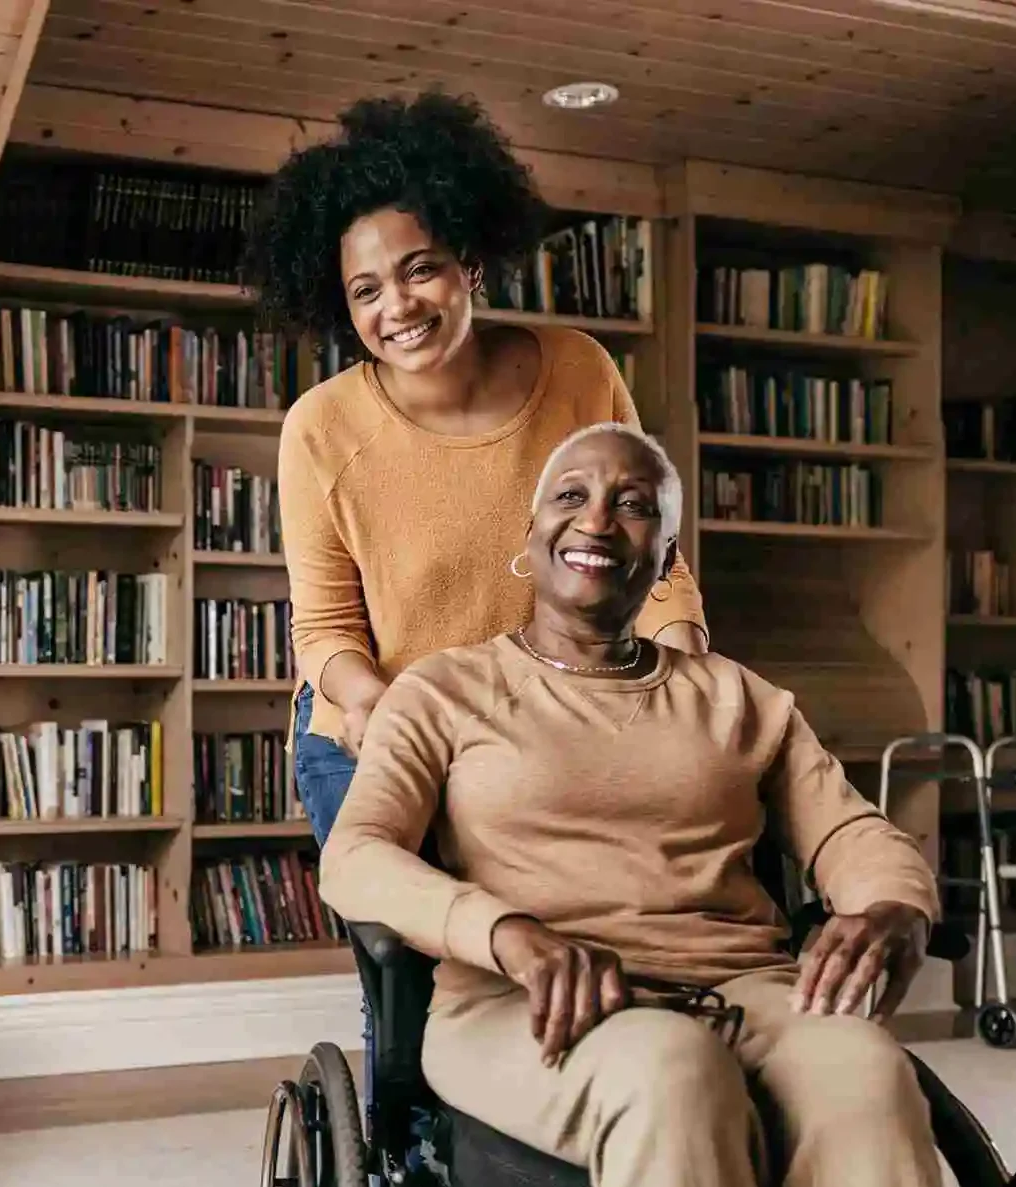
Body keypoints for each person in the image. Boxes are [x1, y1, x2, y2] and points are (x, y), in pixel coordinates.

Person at [318, 423, 987, 1187]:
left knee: (864, 1066)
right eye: (572, 495)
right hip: (531, 1005)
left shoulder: (741, 699)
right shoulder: (445, 692)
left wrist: (895, 907)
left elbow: (850, 830)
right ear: (534, 527)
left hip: (746, 991)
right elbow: (355, 855)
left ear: (664, 555)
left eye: (634, 505)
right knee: (675, 1071)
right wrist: (504, 929)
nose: (598, 518)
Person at [243, 90, 708, 848]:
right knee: (415, 950)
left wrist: (687, 670)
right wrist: (376, 705)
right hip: (376, 733)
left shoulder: (578, 371)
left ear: (470, 263)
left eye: (418, 269)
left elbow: (650, 561)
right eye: (365, 290)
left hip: (543, 729)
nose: (396, 305)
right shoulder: (320, 428)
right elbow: (325, 630)